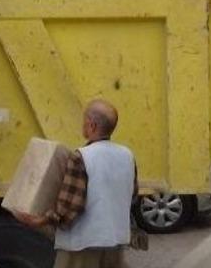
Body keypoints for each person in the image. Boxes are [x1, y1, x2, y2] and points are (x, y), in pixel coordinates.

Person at [14, 99, 137, 268]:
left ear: (92, 125)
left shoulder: (82, 157)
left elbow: (70, 207)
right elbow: (132, 195)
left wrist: (40, 221)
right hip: (116, 242)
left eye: (84, 120)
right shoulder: (127, 155)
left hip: (83, 245)